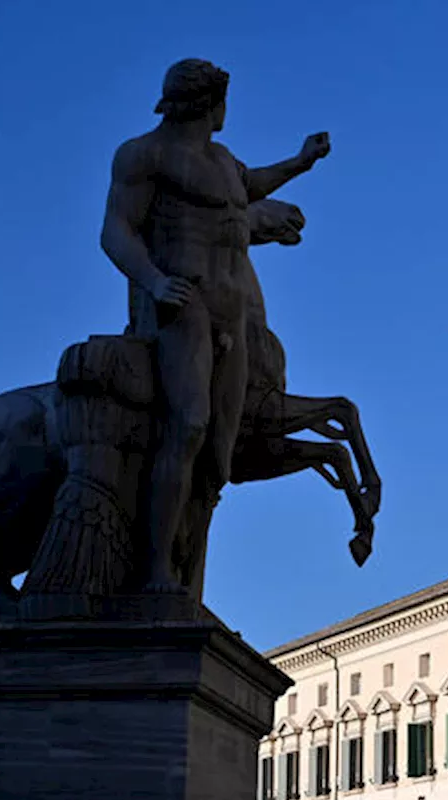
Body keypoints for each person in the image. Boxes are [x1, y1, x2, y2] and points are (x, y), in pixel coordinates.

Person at [100, 58, 330, 591]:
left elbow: (250, 186)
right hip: (185, 307)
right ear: (209, 103)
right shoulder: (144, 154)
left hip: (231, 313)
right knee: (189, 428)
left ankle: (187, 570)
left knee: (220, 456)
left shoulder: (223, 161)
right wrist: (155, 283)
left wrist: (301, 162)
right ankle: (154, 567)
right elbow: (115, 231)